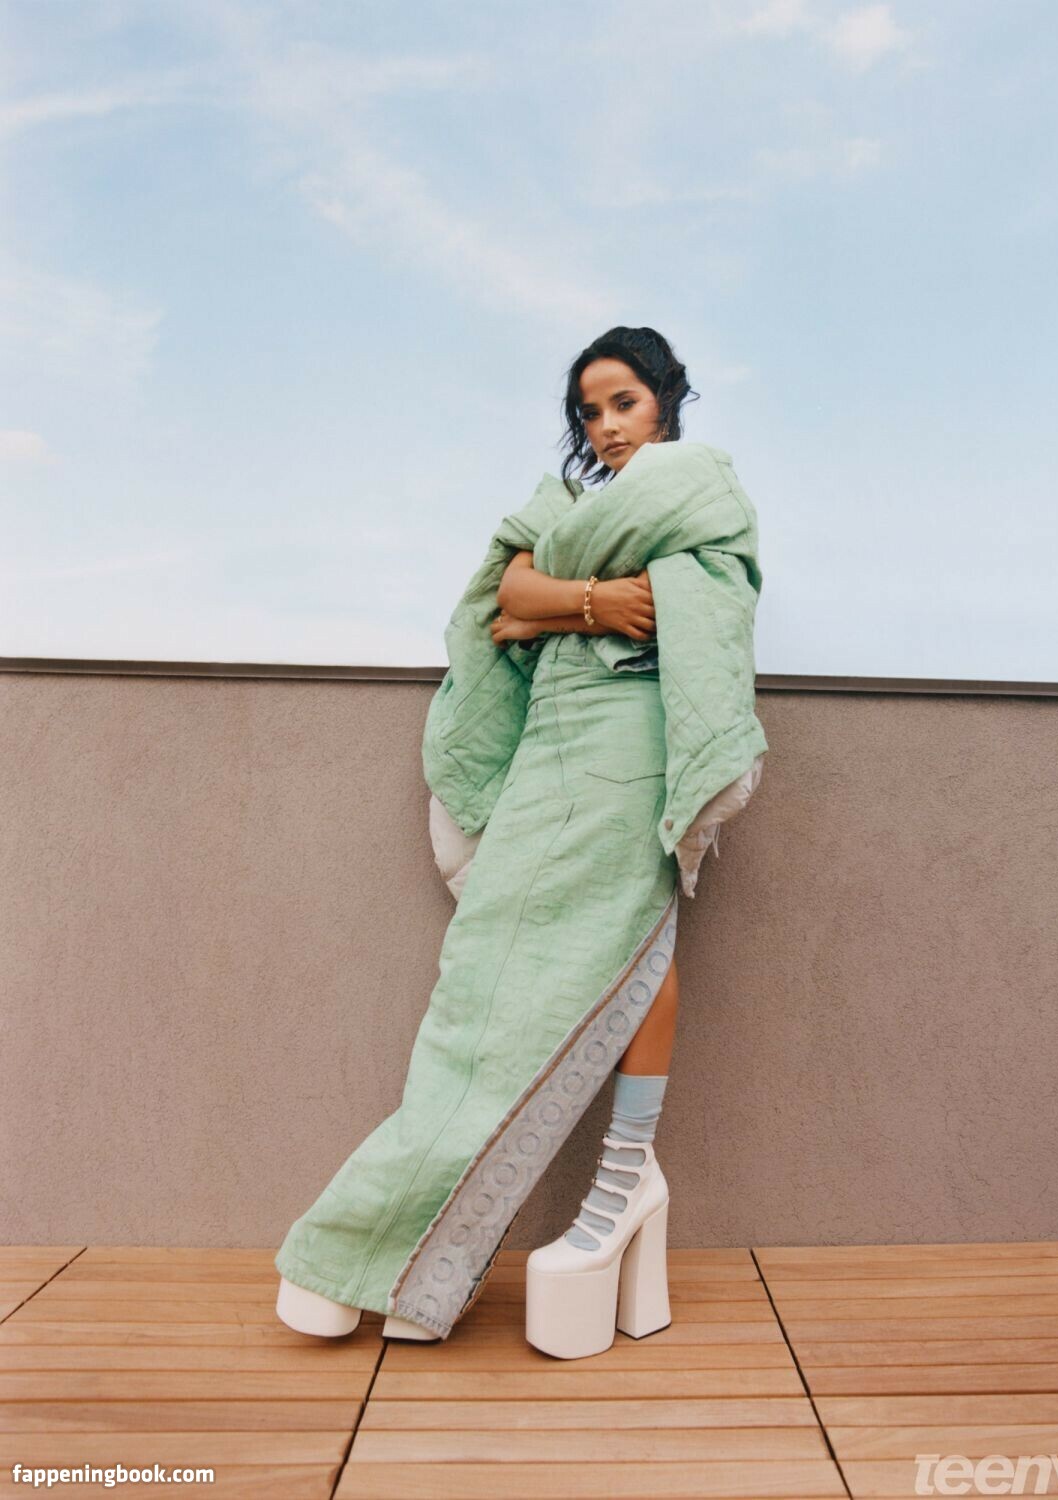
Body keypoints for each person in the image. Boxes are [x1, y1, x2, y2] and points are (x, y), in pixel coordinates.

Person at [274, 325, 767, 1359]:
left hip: (635, 744)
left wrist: (553, 608)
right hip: (549, 746)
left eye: (625, 402)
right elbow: (508, 598)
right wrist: (588, 603)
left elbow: (668, 611)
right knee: (483, 989)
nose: (608, 425)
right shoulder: (565, 507)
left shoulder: (697, 487)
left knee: (635, 946)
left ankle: (621, 1177)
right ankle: (403, 1258)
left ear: (667, 400)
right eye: (591, 410)